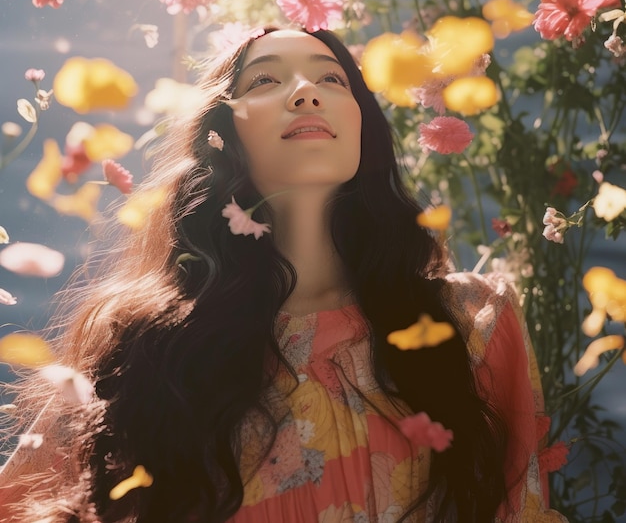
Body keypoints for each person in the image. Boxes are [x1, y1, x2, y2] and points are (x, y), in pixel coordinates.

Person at [0, 27, 567, 523]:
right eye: (265, 82)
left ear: (363, 125)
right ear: (221, 136)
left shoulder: (473, 323)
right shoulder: (144, 346)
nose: (306, 90)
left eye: (333, 79)